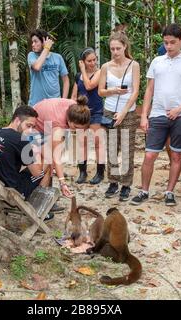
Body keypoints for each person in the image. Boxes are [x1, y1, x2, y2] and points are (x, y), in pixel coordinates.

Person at [131, 23, 181, 206]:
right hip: (157, 115)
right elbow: (149, 90)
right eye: (166, 42)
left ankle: (169, 192)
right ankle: (144, 190)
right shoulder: (157, 61)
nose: (168, 46)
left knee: (177, 156)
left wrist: (179, 109)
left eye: (172, 42)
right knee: (149, 155)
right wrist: (144, 115)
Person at [0, 105, 54, 220]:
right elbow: (37, 174)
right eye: (28, 126)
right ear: (17, 120)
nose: (30, 131)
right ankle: (39, 211)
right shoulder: (21, 140)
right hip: (10, 192)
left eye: (33, 127)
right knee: (45, 168)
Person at [98, 30, 140, 201]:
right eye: (112, 49)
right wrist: (112, 91)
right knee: (112, 149)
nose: (115, 52)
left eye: (118, 48)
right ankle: (113, 181)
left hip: (128, 112)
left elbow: (135, 91)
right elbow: (101, 91)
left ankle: (126, 184)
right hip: (109, 111)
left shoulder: (133, 65)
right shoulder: (106, 66)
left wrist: (123, 112)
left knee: (127, 150)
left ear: (125, 47)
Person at [33, 96, 91, 198]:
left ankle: (46, 195)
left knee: (50, 161)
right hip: (34, 127)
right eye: (76, 128)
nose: (78, 131)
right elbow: (57, 157)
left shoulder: (77, 108)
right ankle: (41, 197)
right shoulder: (58, 124)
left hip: (47, 119)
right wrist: (62, 182)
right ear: (69, 121)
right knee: (47, 162)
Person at [71, 47, 105, 184]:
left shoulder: (100, 72)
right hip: (81, 113)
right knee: (81, 143)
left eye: (94, 60)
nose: (93, 63)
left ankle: (100, 173)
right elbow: (74, 95)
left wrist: (83, 71)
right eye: (89, 61)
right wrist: (73, 114)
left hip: (96, 111)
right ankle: (82, 172)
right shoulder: (78, 75)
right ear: (83, 62)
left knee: (98, 143)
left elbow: (90, 85)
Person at [27, 29, 69, 106]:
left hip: (55, 104)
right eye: (32, 42)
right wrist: (46, 48)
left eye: (35, 41)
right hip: (36, 104)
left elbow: (66, 80)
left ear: (44, 41)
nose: (33, 44)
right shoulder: (31, 55)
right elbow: (37, 67)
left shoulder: (58, 57)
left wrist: (63, 101)